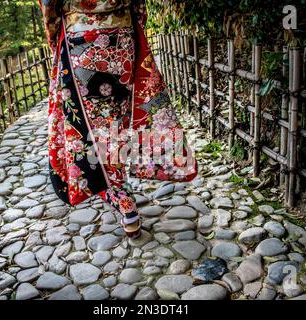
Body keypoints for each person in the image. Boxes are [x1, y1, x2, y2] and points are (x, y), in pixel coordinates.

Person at [39, 0, 197, 239]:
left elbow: (49, 6)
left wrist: (54, 38)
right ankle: (111, 184)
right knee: (117, 121)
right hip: (122, 40)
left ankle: (124, 201)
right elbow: (139, 7)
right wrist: (132, 25)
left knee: (98, 124)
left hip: (81, 40)